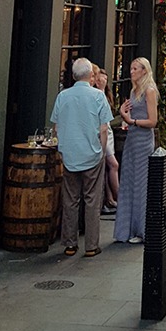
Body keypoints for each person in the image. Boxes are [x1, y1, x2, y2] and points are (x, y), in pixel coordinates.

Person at [50, 57, 113, 258]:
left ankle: (69, 243)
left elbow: (56, 127)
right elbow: (104, 128)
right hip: (92, 154)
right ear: (89, 75)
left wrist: (63, 148)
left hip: (70, 155)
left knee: (70, 200)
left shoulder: (63, 96)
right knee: (92, 201)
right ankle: (91, 246)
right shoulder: (97, 96)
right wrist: (102, 151)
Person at [114, 57, 158, 245]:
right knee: (128, 182)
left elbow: (152, 121)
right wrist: (124, 115)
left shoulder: (149, 91)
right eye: (130, 68)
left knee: (141, 184)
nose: (131, 71)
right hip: (132, 139)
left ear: (144, 71)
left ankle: (142, 230)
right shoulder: (134, 91)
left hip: (143, 141)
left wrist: (132, 121)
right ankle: (126, 230)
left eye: (135, 68)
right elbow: (129, 116)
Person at [95, 68, 120, 214]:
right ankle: (118, 198)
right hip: (102, 133)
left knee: (107, 167)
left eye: (103, 79)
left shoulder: (106, 95)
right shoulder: (96, 95)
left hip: (108, 132)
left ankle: (109, 199)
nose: (100, 81)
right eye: (98, 79)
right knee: (113, 164)